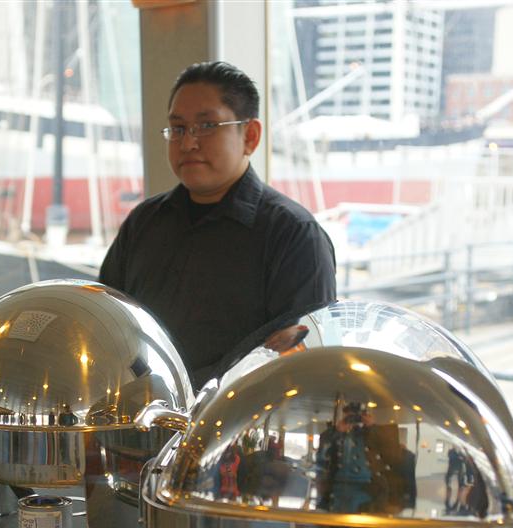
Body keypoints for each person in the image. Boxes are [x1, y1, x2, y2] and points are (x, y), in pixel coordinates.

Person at [98, 61, 336, 389]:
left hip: (238, 417)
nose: (188, 143)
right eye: (178, 128)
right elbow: (106, 322)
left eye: (207, 126)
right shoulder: (144, 222)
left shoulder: (294, 234)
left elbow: (303, 362)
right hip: (137, 411)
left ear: (250, 136)